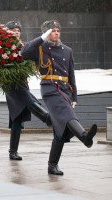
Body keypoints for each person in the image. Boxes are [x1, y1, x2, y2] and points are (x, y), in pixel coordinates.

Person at [21, 20, 97, 175]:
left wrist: (74, 96)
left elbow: (71, 75)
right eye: (52, 31)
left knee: (60, 129)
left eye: (57, 30)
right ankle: (84, 136)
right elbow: (24, 52)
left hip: (64, 90)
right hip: (50, 89)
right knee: (66, 114)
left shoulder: (67, 50)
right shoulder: (39, 48)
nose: (56, 33)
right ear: (46, 33)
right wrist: (41, 38)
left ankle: (52, 165)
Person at [4, 21, 52, 161]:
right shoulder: (2, 47)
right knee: (26, 101)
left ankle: (13, 151)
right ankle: (46, 117)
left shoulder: (25, 47)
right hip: (10, 84)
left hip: (23, 82)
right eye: (13, 30)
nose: (16, 32)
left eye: (18, 30)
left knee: (17, 119)